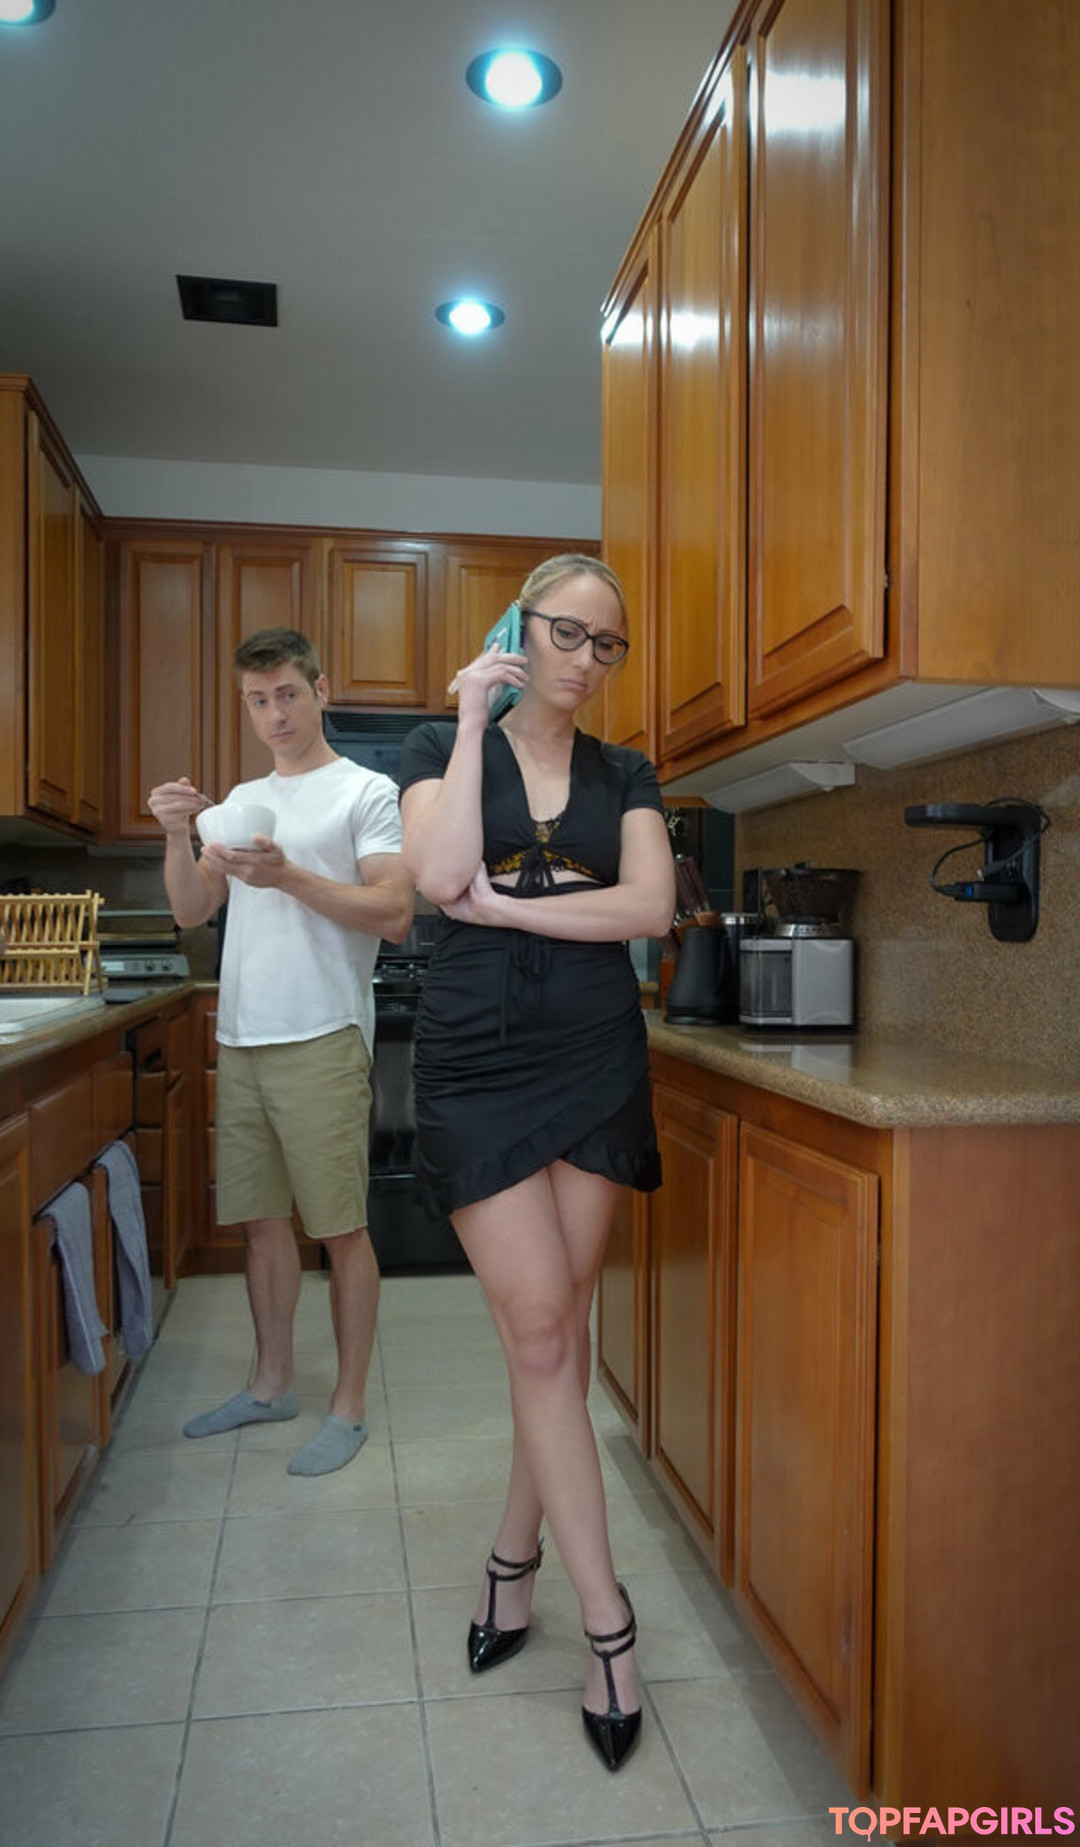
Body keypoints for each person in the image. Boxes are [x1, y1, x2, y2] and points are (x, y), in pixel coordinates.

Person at [398, 555, 674, 1770]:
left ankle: (513, 1567)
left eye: (608, 643)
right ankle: (610, 1624)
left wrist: (509, 908)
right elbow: (434, 874)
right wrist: (472, 717)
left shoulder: (628, 771)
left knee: (549, 1333)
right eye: (568, 632)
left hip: (594, 1052)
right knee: (546, 1334)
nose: (587, 658)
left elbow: (648, 909)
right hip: (475, 1057)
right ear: (522, 625)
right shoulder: (439, 742)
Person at [147, 628, 413, 1476]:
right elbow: (191, 910)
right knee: (261, 1223)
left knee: (340, 1228)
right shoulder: (236, 802)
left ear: (320, 689)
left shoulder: (365, 791)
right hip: (242, 1036)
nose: (275, 714)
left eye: (288, 694)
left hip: (323, 1035)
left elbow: (395, 911)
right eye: (258, 700)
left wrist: (287, 874)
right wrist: (177, 834)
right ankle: (271, 1386)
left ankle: (348, 1406)